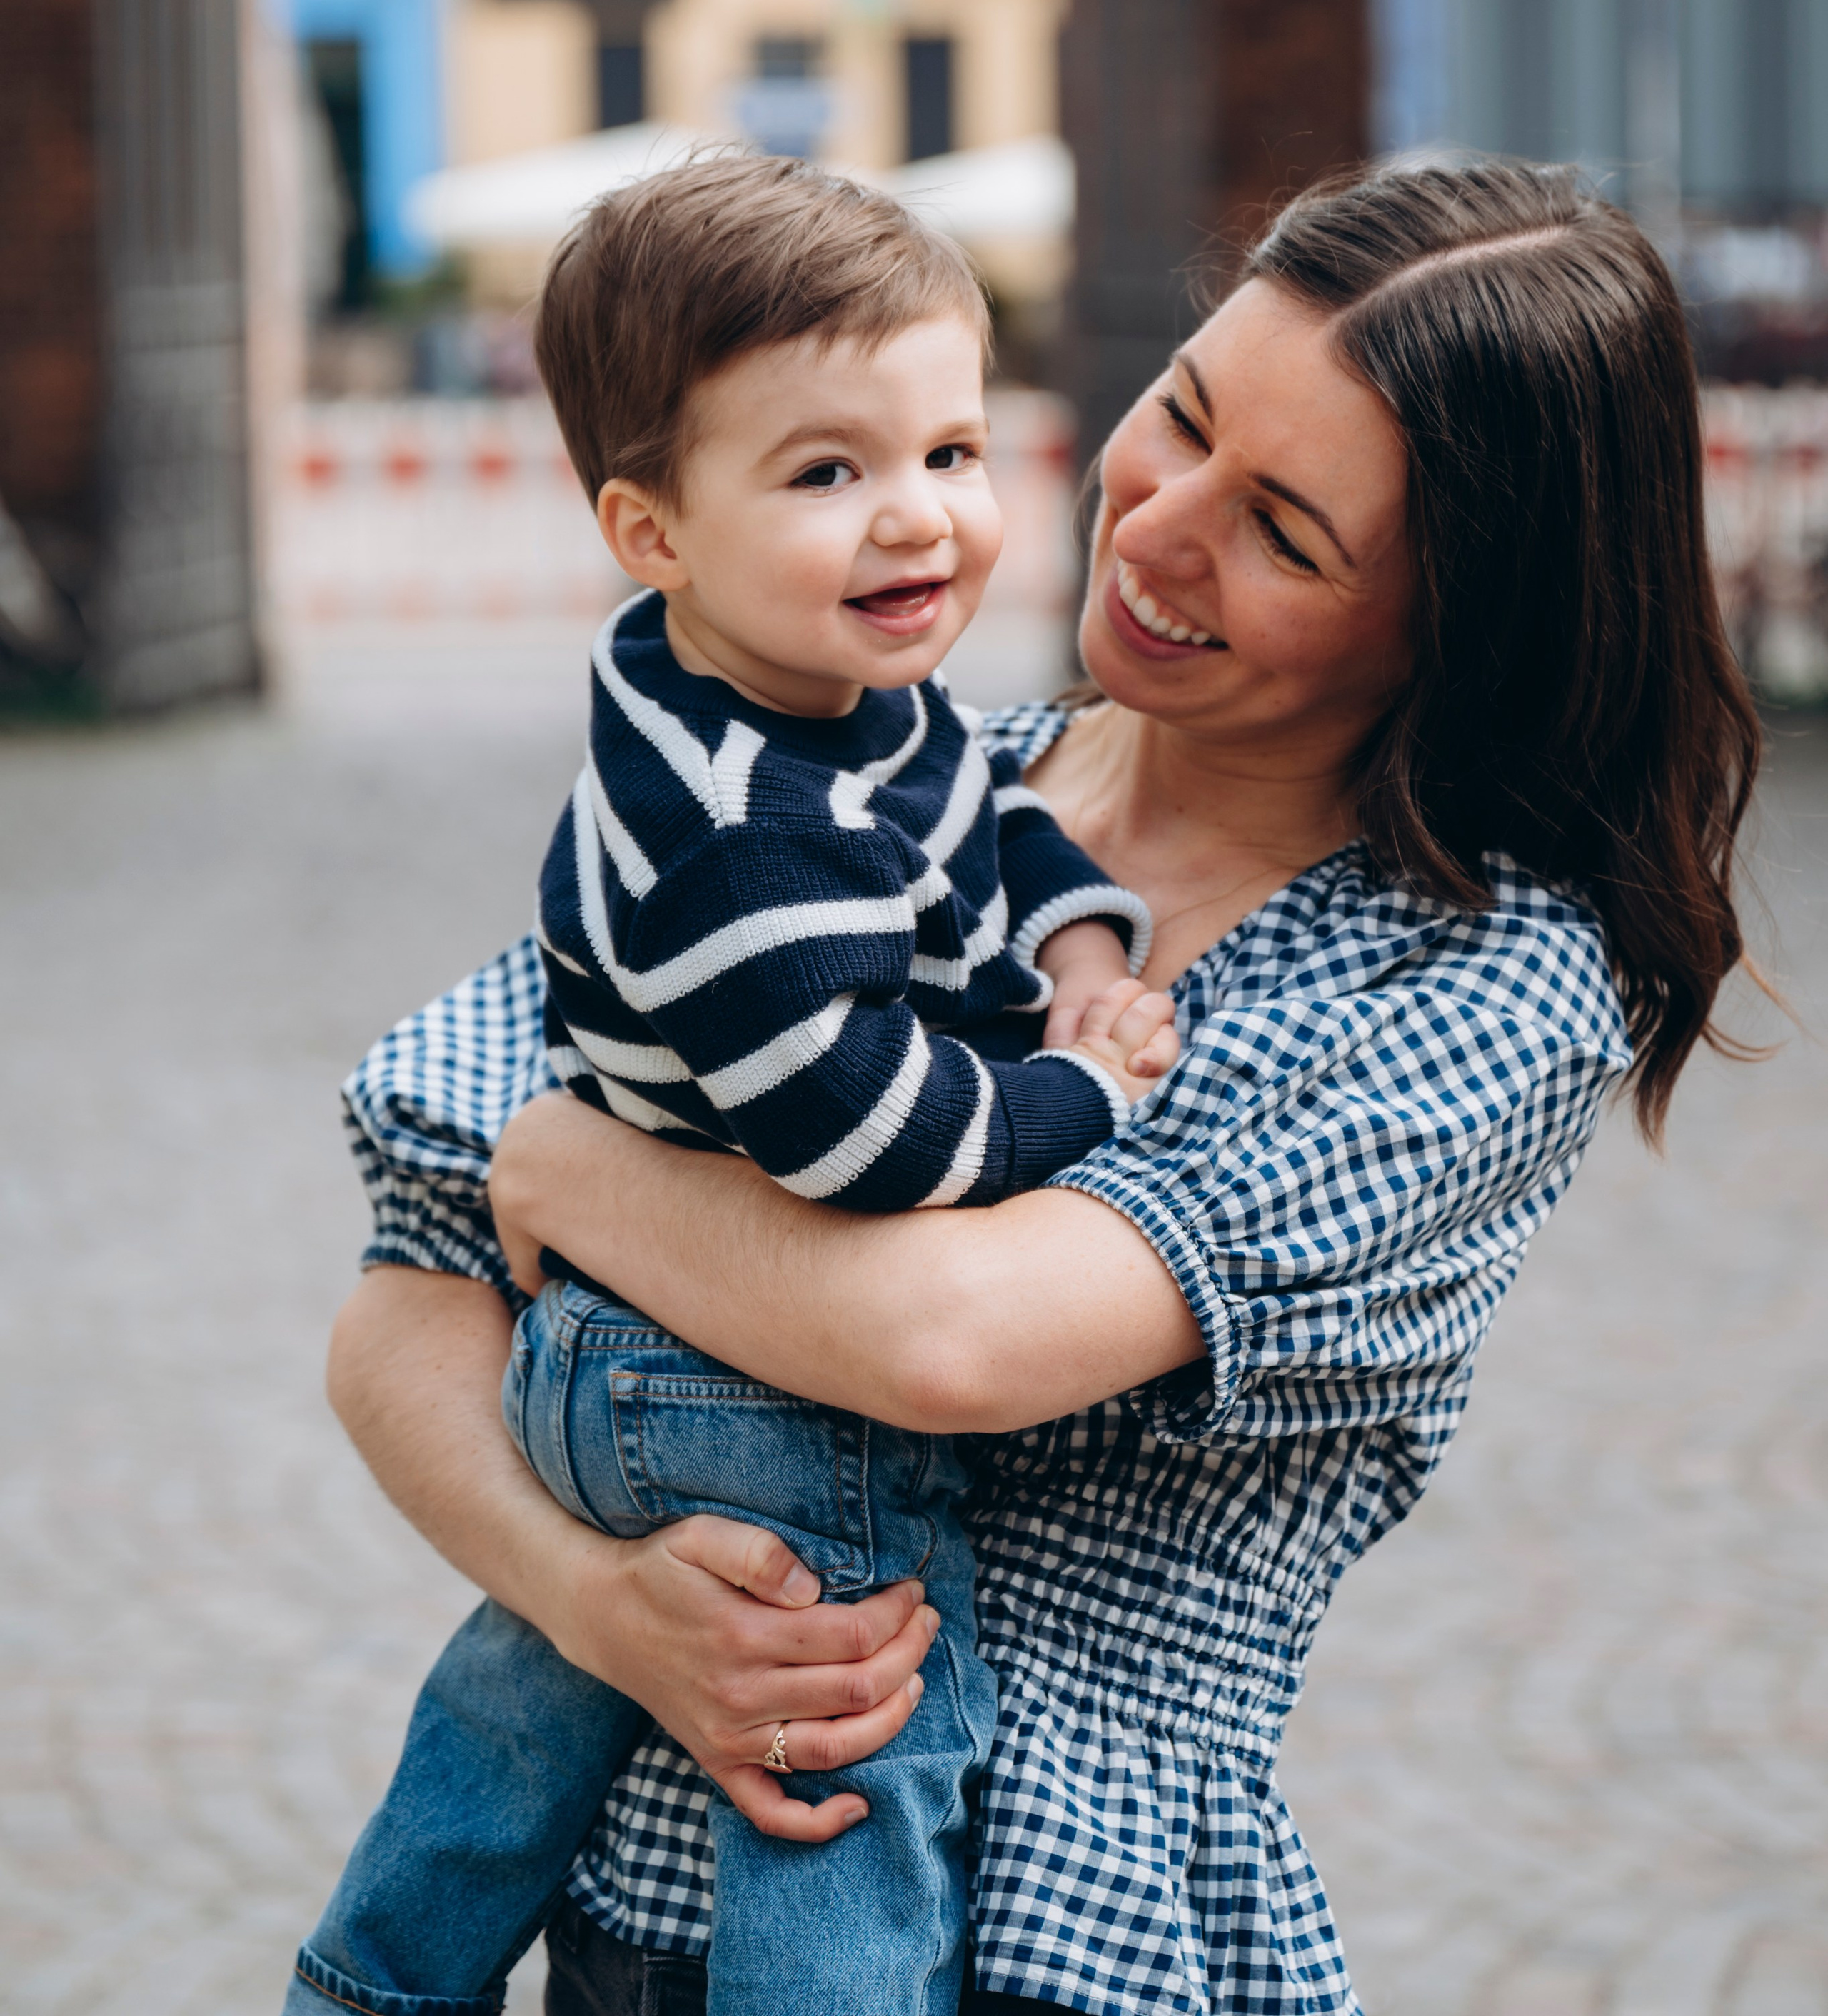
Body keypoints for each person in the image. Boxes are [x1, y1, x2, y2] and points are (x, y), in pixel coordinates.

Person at [321, 158, 1759, 2015]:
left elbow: (950, 1340)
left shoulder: (1472, 989)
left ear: (1455, 625)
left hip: (1061, 1934)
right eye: (1181, 417)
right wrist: (595, 1605)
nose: (1156, 531)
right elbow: (403, 1296)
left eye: (1289, 535)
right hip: (649, 1900)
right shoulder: (885, 770)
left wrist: (567, 1163)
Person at [288, 159, 1182, 2016]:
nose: (918, 519)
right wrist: (1086, 1092)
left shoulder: (822, 698)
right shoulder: (733, 839)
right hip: (734, 1385)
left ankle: (374, 1980)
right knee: (854, 1744)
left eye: (949, 449)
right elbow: (876, 1141)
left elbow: (989, 822)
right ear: (651, 528)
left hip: (630, 1344)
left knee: (532, 1696)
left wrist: (1080, 945)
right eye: (825, 473)